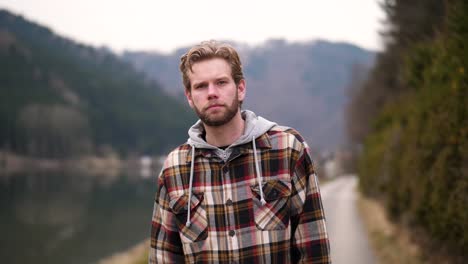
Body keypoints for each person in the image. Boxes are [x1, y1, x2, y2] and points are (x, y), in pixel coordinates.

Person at [149, 40, 330, 263]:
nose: (212, 93)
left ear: (240, 88)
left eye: (221, 82)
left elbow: (314, 252)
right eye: (201, 86)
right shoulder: (174, 168)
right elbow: (163, 258)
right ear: (189, 97)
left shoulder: (287, 149)